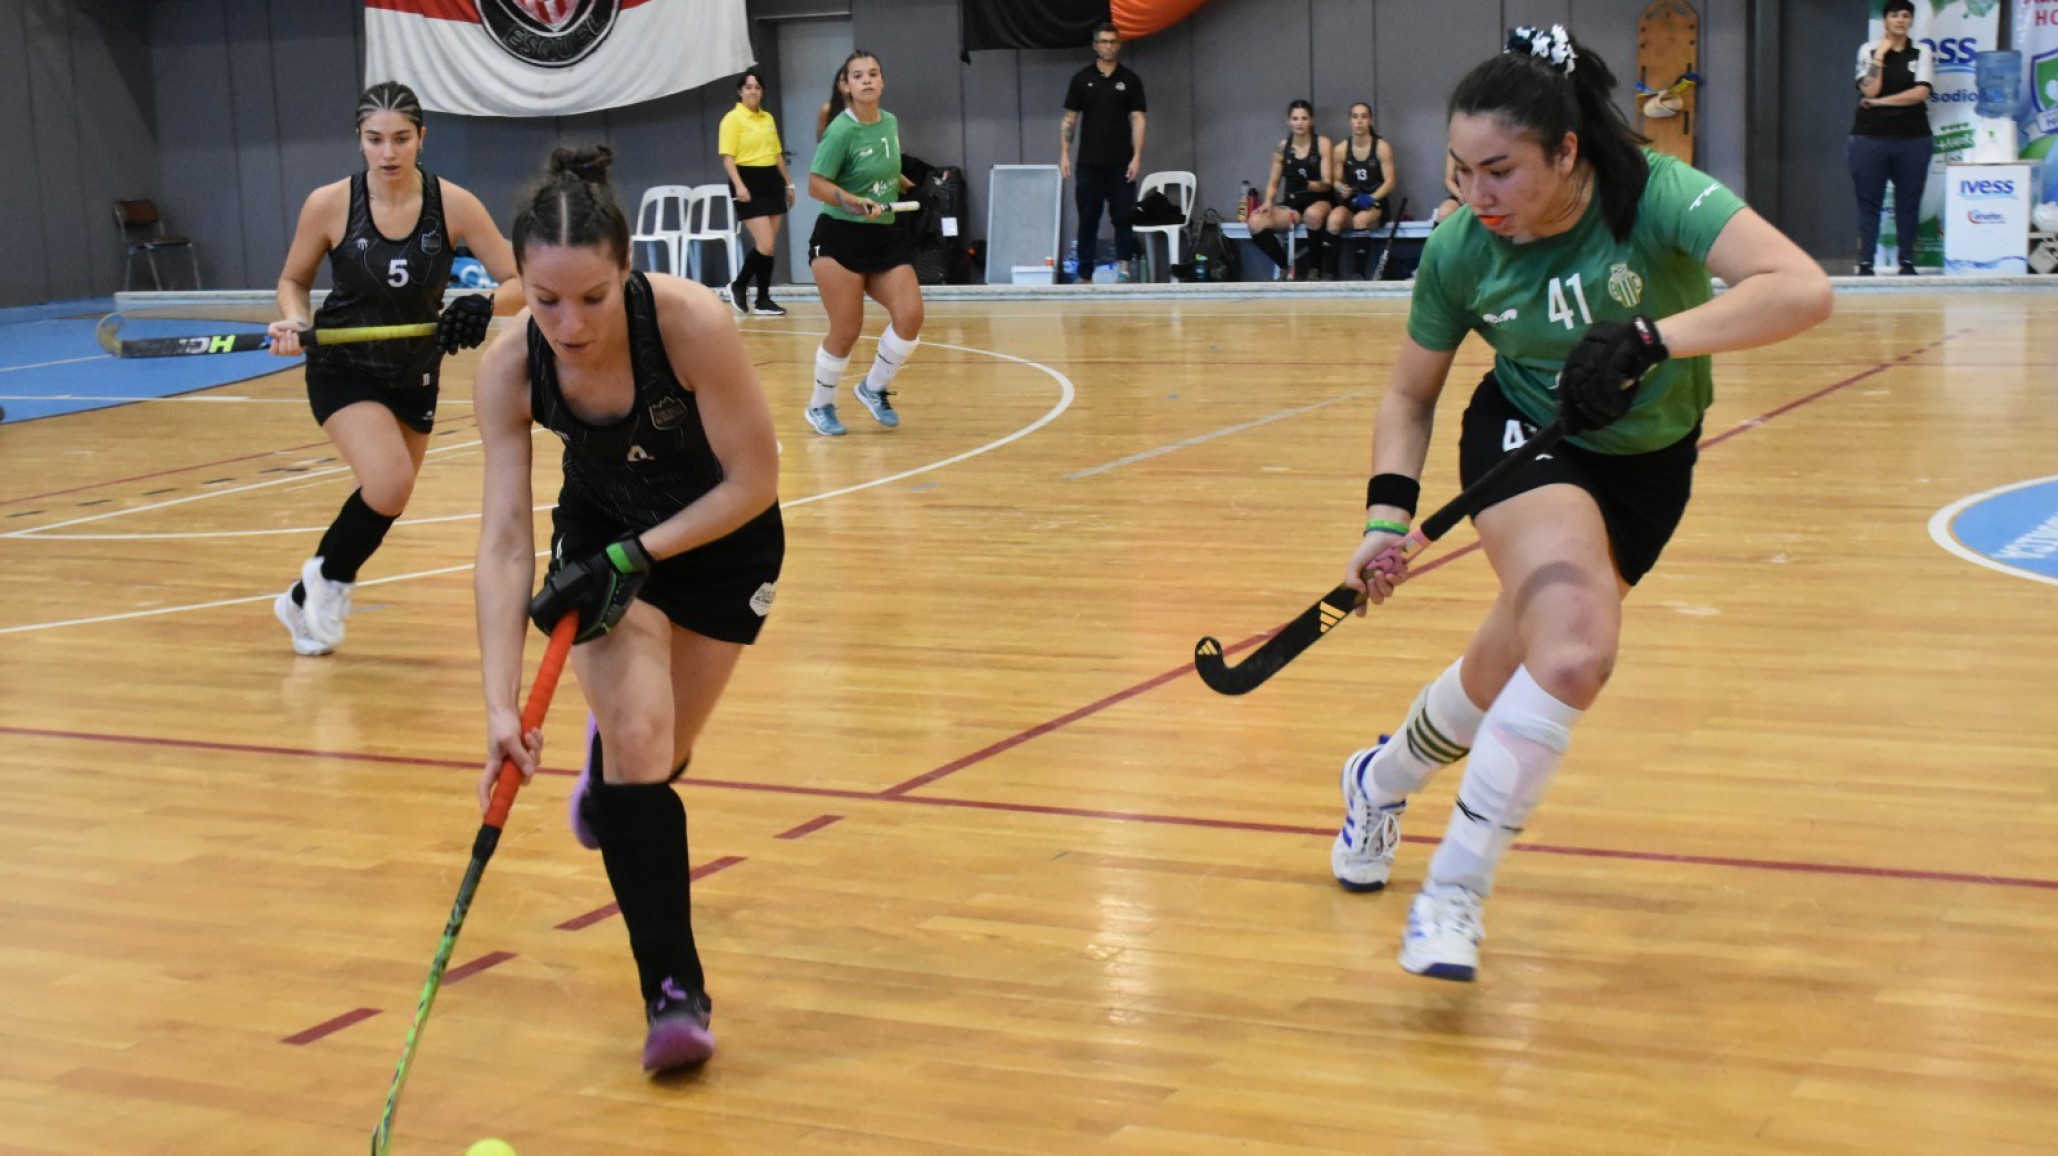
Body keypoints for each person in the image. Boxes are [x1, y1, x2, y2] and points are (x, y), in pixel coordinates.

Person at [1328, 25, 1832, 982]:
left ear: (1566, 153)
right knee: (1574, 651)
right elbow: (1409, 394)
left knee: (1512, 659)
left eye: (1502, 171)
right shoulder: (1460, 250)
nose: (1479, 196)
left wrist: (1654, 337)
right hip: (1527, 434)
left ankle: (1379, 779)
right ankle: (1455, 893)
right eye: (1461, 170)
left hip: (1649, 463)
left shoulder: (1655, 195)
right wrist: (1384, 520)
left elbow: (1801, 290)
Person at [472, 144, 783, 1073]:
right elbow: (503, 539)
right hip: (601, 547)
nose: (569, 323)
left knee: (663, 751)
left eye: (593, 298)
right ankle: (672, 994)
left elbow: (755, 480)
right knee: (643, 738)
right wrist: (498, 702)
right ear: (520, 283)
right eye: (545, 299)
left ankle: (612, 778)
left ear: (627, 271)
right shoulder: (509, 368)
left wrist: (637, 553)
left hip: (720, 544)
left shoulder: (690, 324)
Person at [268, 81, 520, 657]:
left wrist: (481, 305)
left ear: (421, 139)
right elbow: (293, 280)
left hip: (415, 371)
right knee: (389, 481)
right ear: (359, 141)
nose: (388, 153)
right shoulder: (329, 203)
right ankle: (330, 582)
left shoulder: (454, 203)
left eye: (401, 139)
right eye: (375, 139)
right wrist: (292, 320)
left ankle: (304, 600)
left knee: (388, 498)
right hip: (343, 366)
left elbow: (520, 280)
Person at [802, 50, 924, 437]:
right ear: (847, 85)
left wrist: (899, 180)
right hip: (840, 238)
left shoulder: (889, 122)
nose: (867, 80)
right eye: (858, 75)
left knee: (910, 316)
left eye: (873, 73)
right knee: (847, 329)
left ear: (882, 82)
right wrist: (853, 201)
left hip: (884, 234)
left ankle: (873, 387)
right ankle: (819, 406)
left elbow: (879, 161)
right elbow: (816, 185)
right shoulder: (841, 129)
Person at [1059, 22, 1148, 284]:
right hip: (1089, 163)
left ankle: (1123, 268)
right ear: (1095, 45)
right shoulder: (1081, 79)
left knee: (1123, 217)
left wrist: (1137, 157)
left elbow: (1139, 120)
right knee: (1088, 219)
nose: (1108, 46)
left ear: (1118, 45)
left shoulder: (1130, 81)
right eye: (1104, 41)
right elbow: (1069, 120)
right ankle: (1085, 274)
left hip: (1121, 163)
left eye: (1113, 41)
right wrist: (1064, 154)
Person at [1849, 0, 1933, 275]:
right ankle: (1866, 262)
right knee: (1869, 201)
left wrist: (1882, 103)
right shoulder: (1869, 50)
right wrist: (1880, 56)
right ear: (1885, 21)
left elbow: (1919, 94)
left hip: (1913, 138)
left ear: (1911, 21)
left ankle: (1906, 261)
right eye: (1894, 15)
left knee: (1908, 201)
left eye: (1906, 15)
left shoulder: (1921, 52)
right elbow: (1870, 90)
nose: (1900, 20)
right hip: (1869, 139)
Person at [719, 69, 794, 317]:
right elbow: (728, 157)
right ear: (740, 91)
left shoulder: (768, 119)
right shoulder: (732, 119)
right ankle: (738, 284)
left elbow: (776, 155)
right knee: (765, 242)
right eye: (748, 87)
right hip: (747, 180)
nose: (753, 91)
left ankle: (763, 299)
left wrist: (789, 184)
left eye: (757, 87)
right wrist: (739, 185)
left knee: (769, 247)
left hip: (771, 180)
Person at [1247, 101, 1334, 279]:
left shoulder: (1323, 143)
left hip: (1320, 201)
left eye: (1304, 118)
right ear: (1289, 121)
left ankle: (1314, 268)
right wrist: (1268, 202)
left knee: (1313, 214)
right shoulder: (1282, 148)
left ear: (1311, 120)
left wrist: (1313, 185)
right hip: (1293, 205)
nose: (1299, 123)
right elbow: (1273, 182)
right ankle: (1285, 267)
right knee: (1255, 222)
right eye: (1295, 118)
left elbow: (1328, 181)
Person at [1325, 102, 1398, 279]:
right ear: (1349, 121)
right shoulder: (1341, 149)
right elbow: (1336, 180)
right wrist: (1341, 188)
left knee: (1361, 220)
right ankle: (1330, 274)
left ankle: (1359, 273)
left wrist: (1371, 198)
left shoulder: (1381, 147)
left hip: (1375, 204)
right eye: (1355, 117)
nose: (1359, 121)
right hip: (1352, 202)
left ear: (1370, 120)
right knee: (1334, 219)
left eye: (1364, 117)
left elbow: (1390, 182)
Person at [1433, 152, 1464, 225]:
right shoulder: (1455, 144)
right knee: (1445, 212)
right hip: (1462, 193)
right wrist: (1461, 196)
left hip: (1488, 192)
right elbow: (1449, 180)